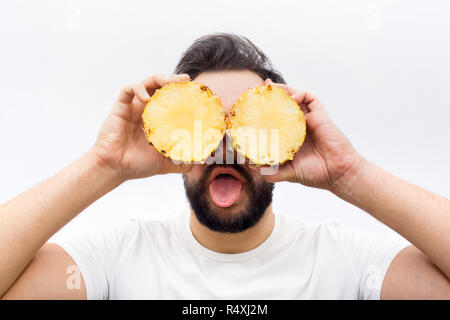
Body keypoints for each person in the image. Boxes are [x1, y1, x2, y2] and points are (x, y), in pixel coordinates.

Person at [0, 33, 449, 300]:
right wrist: (104, 164)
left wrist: (349, 174)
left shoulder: (346, 261)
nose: (226, 146)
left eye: (248, 121)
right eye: (207, 123)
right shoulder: (116, 256)